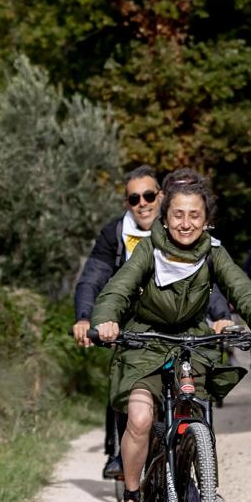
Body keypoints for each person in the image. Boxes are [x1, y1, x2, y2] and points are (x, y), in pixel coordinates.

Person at [91, 173, 251, 502]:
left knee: (195, 407)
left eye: (194, 215)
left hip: (191, 340)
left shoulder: (213, 251)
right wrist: (105, 321)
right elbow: (119, 287)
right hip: (145, 339)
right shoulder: (149, 249)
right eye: (178, 214)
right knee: (141, 417)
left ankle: (207, 489)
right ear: (165, 217)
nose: (185, 223)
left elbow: (241, 288)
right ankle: (132, 501)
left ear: (205, 218)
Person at [72, 165, 160, 481]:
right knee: (123, 375)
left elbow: (209, 277)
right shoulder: (115, 234)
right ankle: (118, 452)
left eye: (148, 195)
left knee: (195, 394)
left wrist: (220, 317)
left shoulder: (180, 227)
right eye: (134, 198)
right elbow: (92, 278)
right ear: (127, 203)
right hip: (127, 324)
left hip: (172, 322)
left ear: (161, 196)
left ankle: (202, 479)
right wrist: (84, 317)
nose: (142, 203)